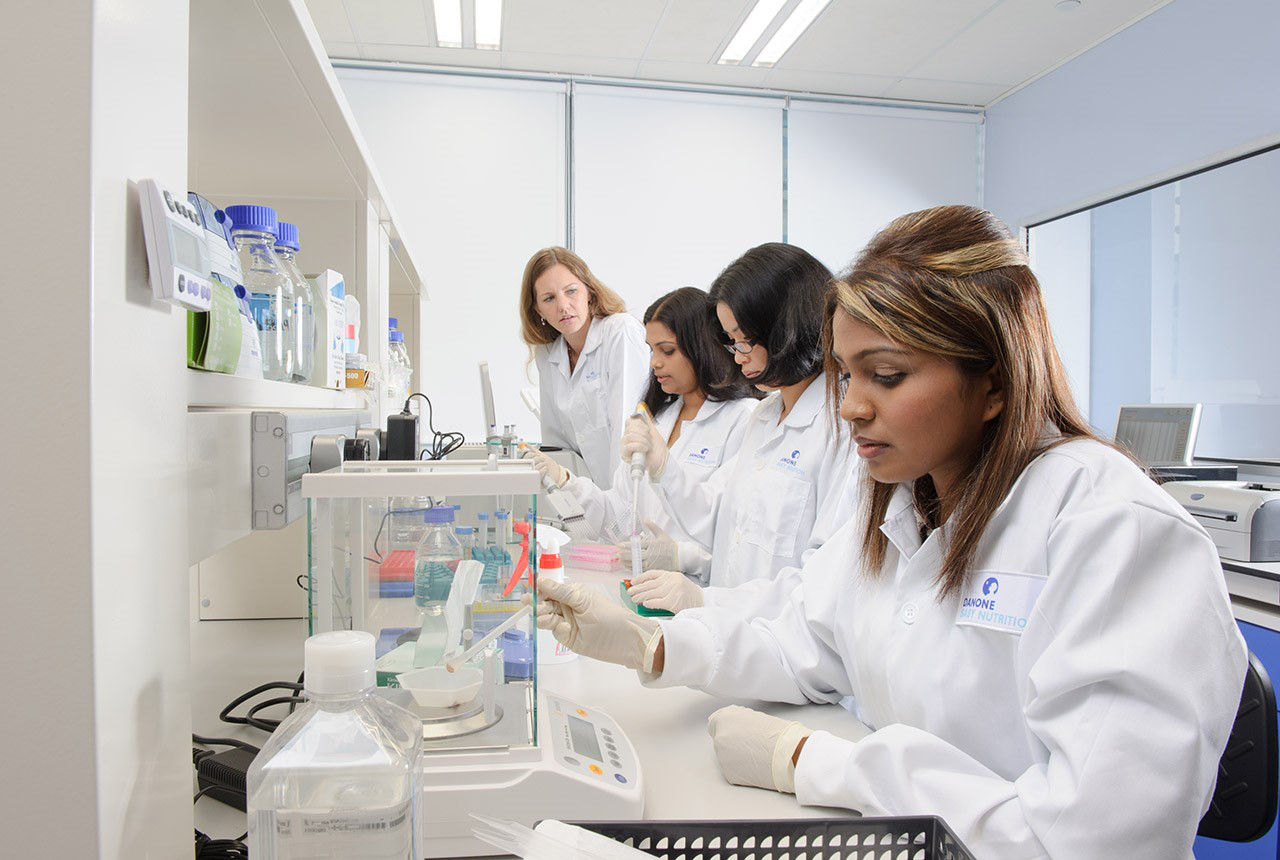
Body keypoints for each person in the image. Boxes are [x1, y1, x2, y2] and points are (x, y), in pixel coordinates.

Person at [533, 205, 1246, 859]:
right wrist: (653, 642)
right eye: (846, 375)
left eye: (888, 375)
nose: (851, 408)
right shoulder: (904, 505)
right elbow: (808, 637)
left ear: (995, 380)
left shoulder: (1111, 531)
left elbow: (1089, 841)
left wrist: (815, 761)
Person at [619, 243, 857, 613]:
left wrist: (707, 599)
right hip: (729, 639)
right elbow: (714, 515)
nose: (738, 354)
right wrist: (663, 468)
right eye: (731, 342)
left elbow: (819, 585)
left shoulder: (842, 430)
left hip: (782, 658)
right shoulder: (763, 417)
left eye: (745, 339)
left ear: (787, 326)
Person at [529, 287, 759, 580]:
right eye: (652, 350)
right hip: (645, 590)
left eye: (668, 350)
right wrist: (565, 482)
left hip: (698, 595)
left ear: (702, 345)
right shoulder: (658, 420)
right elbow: (620, 516)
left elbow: (732, 536)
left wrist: (681, 557)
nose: (654, 363)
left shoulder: (742, 419)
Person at [520, 247, 649, 489]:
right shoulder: (548, 354)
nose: (563, 305)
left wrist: (617, 510)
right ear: (538, 310)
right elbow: (557, 447)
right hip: (591, 501)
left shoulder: (620, 333)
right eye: (549, 298)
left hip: (635, 495)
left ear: (589, 291)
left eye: (571, 291)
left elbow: (628, 432)